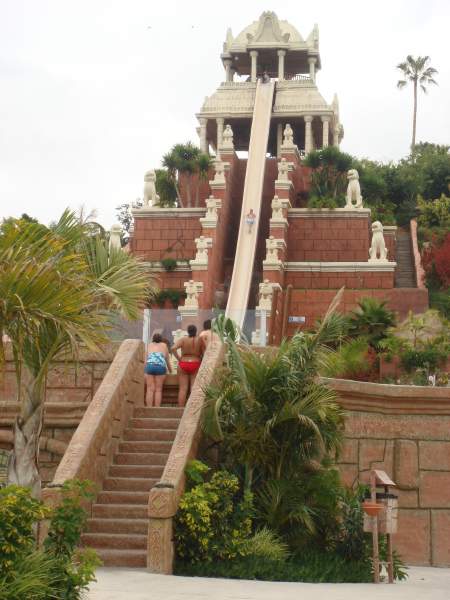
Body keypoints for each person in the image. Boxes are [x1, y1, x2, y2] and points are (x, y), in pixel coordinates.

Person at [171, 324, 204, 406]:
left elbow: (173, 348)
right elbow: (204, 352)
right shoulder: (200, 340)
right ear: (196, 331)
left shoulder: (183, 339)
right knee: (193, 388)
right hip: (196, 363)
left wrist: (179, 358)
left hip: (183, 363)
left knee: (183, 389)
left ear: (188, 331)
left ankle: (180, 410)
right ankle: (192, 409)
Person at [145, 332, 172, 407]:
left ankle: (149, 408)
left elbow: (146, 359)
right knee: (158, 389)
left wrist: (145, 370)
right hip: (160, 367)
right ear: (161, 339)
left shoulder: (149, 345)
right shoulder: (164, 345)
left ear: (153, 339)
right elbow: (167, 360)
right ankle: (157, 408)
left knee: (149, 389)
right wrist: (170, 371)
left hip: (149, 366)